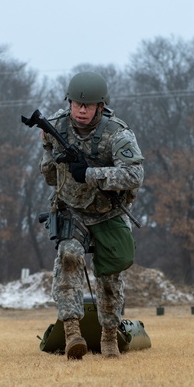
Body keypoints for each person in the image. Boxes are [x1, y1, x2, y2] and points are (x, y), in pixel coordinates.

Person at [39, 71, 144, 360]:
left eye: (88, 105)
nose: (81, 110)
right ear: (69, 102)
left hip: (108, 213)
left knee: (109, 277)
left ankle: (109, 335)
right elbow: (49, 175)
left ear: (101, 106)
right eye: (76, 104)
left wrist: (90, 173)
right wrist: (49, 152)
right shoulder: (54, 126)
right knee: (69, 258)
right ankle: (72, 332)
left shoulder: (118, 133)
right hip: (71, 209)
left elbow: (135, 175)